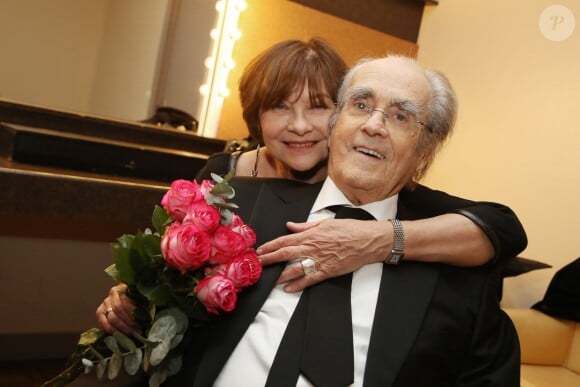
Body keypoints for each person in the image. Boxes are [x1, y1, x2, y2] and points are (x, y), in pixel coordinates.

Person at [97, 38, 526, 334]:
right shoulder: (226, 179)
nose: (299, 125)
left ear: (340, 115)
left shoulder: (367, 178)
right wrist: (131, 294)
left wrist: (379, 238)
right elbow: (167, 259)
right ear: (256, 117)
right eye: (279, 107)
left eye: (318, 107)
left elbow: (499, 227)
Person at [161, 54, 520, 386]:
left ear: (425, 149)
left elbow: (502, 225)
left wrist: (378, 240)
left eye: (400, 116)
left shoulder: (459, 266)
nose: (374, 126)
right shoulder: (237, 207)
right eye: (361, 105)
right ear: (334, 125)